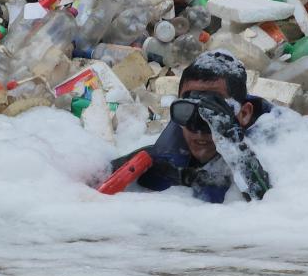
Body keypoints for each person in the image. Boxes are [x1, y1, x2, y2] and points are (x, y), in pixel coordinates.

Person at [112, 50, 271, 203]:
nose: (198, 128)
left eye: (213, 114)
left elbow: (271, 207)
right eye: (187, 111)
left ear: (244, 114)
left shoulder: (278, 155)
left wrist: (230, 139)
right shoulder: (158, 161)